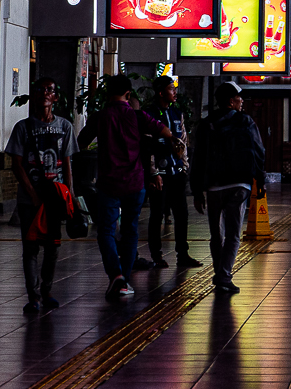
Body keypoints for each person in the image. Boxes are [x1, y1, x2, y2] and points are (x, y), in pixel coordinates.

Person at [85, 76, 179, 298]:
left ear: (107, 93)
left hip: (109, 184)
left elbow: (81, 141)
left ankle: (115, 276)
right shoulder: (137, 115)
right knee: (130, 231)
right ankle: (124, 280)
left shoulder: (100, 116)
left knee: (106, 231)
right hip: (135, 183)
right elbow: (165, 132)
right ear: (128, 94)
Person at [4, 79, 77, 314]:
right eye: (39, 90)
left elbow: (67, 163)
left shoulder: (65, 126)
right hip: (30, 199)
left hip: (56, 197)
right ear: (32, 97)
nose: (44, 94)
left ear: (55, 98)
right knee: (30, 247)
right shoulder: (23, 128)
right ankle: (33, 296)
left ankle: (47, 291)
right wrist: (32, 194)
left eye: (49, 90)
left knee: (53, 247)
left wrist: (71, 196)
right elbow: (16, 164)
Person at [190, 82, 265, 294]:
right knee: (233, 234)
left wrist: (197, 190)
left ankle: (220, 272)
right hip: (239, 184)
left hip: (214, 186)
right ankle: (223, 274)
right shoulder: (246, 121)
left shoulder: (206, 124)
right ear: (231, 101)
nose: (242, 102)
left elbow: (198, 158)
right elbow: (258, 152)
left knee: (217, 233)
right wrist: (260, 181)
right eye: (239, 98)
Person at [143, 77, 198, 269]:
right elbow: (147, 146)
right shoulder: (148, 114)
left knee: (181, 214)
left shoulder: (177, 113)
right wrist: (152, 172)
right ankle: (156, 255)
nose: (175, 92)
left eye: (175, 89)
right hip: (159, 174)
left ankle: (183, 254)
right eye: (170, 89)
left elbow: (183, 142)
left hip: (177, 173)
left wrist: (184, 166)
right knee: (157, 214)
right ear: (160, 92)